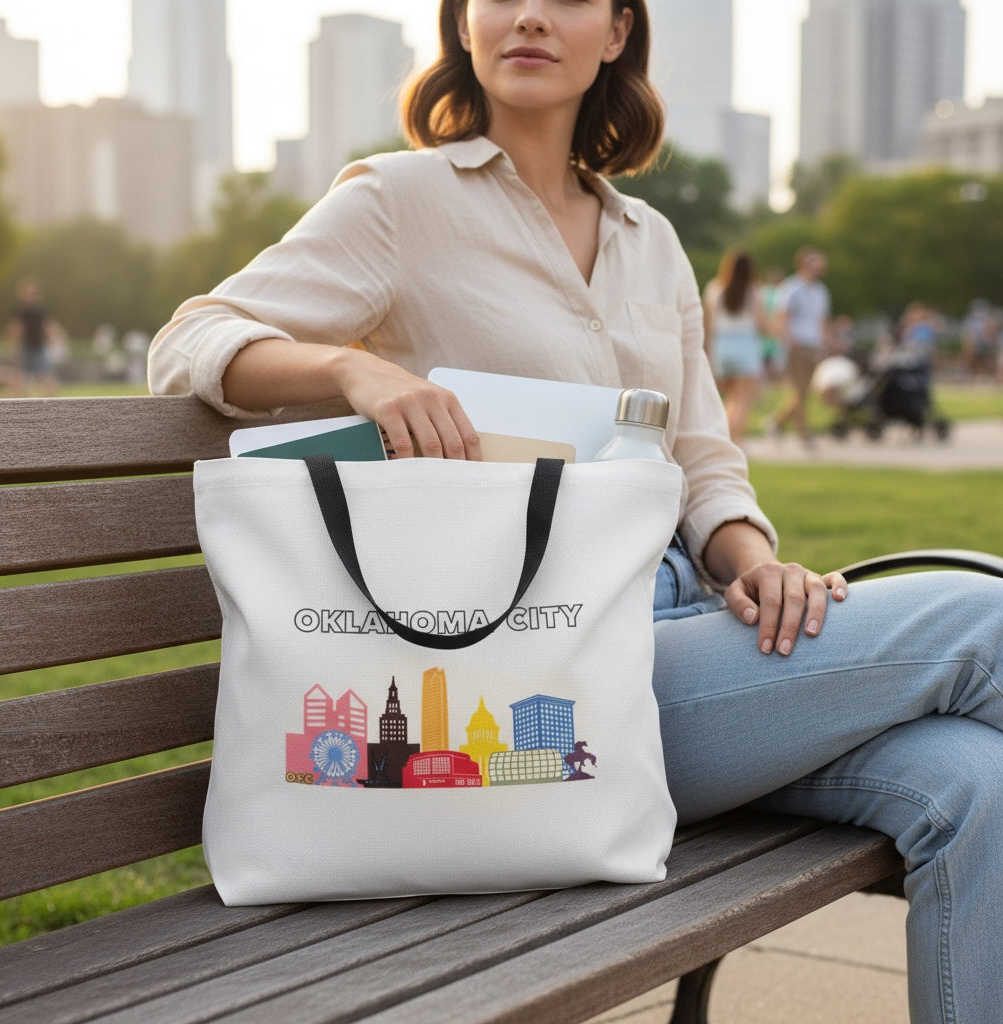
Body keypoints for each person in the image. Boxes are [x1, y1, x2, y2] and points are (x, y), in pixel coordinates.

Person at [149, 3, 1003, 1020]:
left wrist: (749, 557)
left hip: (693, 650)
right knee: (980, 618)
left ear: (615, 32)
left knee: (973, 778)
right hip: (543, 680)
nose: (528, 15)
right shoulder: (398, 200)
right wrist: (353, 368)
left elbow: (698, 457)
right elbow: (188, 341)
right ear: (462, 29)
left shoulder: (652, 241)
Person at [702, 248, 767, 446]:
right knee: (743, 398)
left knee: (731, 397)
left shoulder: (715, 288)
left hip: (722, 345)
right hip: (744, 343)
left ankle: (724, 437)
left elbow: (708, 324)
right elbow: (761, 322)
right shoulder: (753, 289)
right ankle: (737, 440)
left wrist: (709, 353)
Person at [769, 245, 831, 447]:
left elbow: (821, 320)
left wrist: (824, 342)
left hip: (812, 345)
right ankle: (804, 435)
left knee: (804, 392)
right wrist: (790, 339)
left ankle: (776, 422)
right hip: (796, 345)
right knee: (799, 391)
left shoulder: (821, 291)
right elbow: (782, 317)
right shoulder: (791, 288)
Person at [6, 277, 65, 396]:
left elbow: (49, 326)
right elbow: (16, 328)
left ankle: (50, 400)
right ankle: (19, 400)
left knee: (46, 374)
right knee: (18, 375)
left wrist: (56, 339)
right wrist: (14, 345)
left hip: (38, 347)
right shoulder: (22, 311)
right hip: (25, 347)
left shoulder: (41, 310)